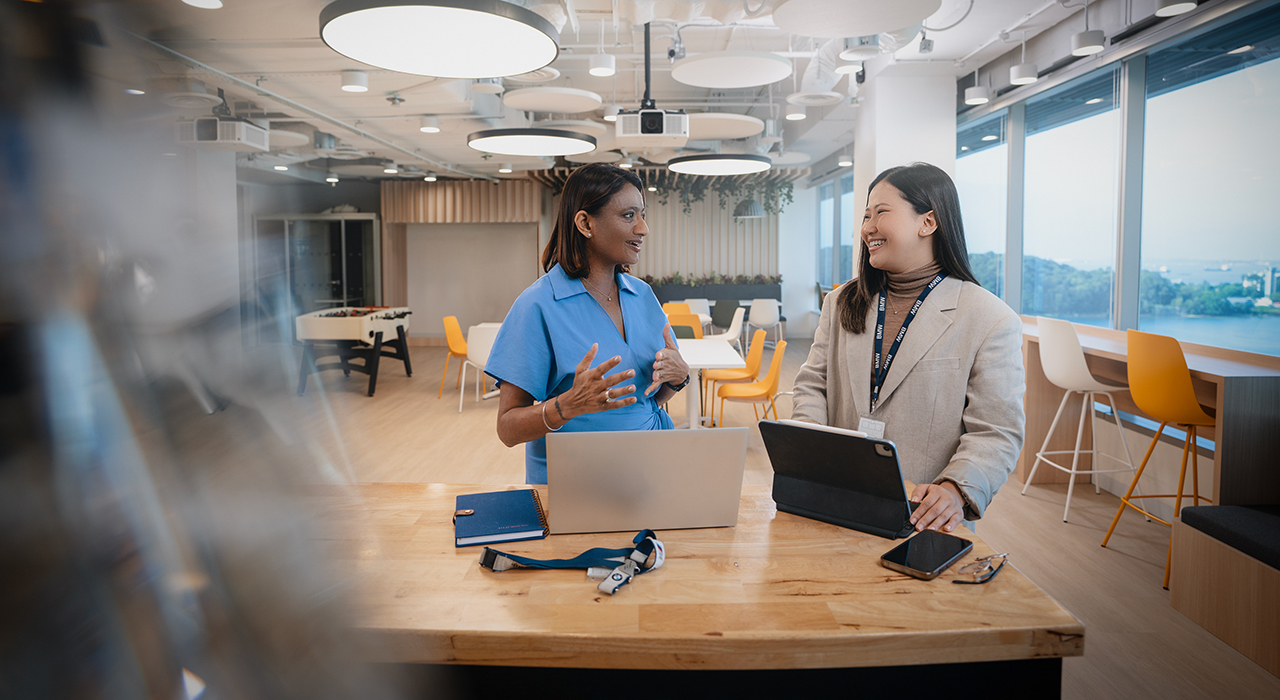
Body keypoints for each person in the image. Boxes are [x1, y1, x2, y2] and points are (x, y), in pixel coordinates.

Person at [792, 162, 1025, 534]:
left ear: (927, 222)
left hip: (921, 519)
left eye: (881, 213)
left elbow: (996, 431)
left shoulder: (989, 319)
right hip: (833, 500)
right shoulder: (842, 302)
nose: (868, 227)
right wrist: (810, 446)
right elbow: (813, 383)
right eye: (866, 215)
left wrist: (954, 490)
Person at [485, 163, 691, 484]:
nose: (642, 228)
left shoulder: (643, 295)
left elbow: (646, 398)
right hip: (578, 479)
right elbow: (508, 429)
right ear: (585, 223)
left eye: (643, 215)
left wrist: (677, 379)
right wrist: (567, 405)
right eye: (628, 216)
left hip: (653, 466)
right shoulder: (537, 304)